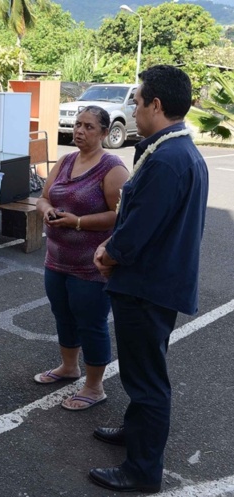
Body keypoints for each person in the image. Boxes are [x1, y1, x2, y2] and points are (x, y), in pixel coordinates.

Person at [90, 65, 208, 493]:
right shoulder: (174, 150)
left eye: (137, 102)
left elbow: (140, 225)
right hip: (156, 283)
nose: (133, 109)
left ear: (156, 105)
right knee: (143, 370)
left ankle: (142, 471)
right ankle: (133, 434)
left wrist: (108, 253)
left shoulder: (169, 159)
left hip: (146, 285)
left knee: (147, 381)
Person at [33, 106, 129, 411]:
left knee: (91, 323)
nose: (79, 131)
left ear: (103, 132)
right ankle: (69, 367)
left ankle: (94, 386)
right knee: (63, 315)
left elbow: (121, 216)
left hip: (92, 264)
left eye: (88, 126)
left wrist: (77, 222)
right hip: (56, 259)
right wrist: (47, 211)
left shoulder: (112, 168)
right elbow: (44, 197)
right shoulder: (65, 161)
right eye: (77, 125)